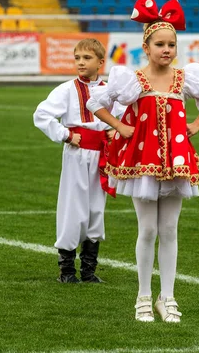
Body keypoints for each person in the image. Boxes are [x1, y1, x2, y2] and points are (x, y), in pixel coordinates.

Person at [86, 0, 199, 323]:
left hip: (177, 161)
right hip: (142, 162)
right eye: (159, 44)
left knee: (170, 229)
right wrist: (121, 126)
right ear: (145, 48)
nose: (166, 50)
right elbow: (97, 103)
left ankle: (168, 297)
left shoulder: (184, 78)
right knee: (147, 229)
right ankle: (143, 297)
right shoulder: (132, 79)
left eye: (171, 44)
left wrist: (195, 126)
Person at [33, 39, 126, 284]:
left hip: (101, 156)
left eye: (87, 58)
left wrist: (113, 131)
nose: (81, 63)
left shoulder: (110, 92)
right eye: (77, 58)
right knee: (72, 206)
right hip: (77, 153)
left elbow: (123, 119)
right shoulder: (66, 89)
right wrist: (65, 134)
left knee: (96, 207)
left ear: (100, 62)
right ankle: (66, 271)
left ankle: (88, 270)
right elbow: (41, 115)